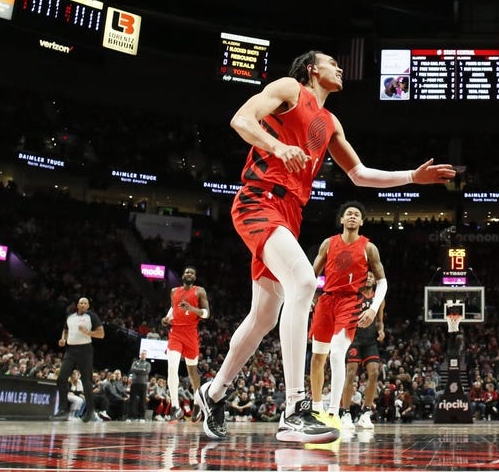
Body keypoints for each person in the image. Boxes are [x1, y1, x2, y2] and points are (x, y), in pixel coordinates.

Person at [194, 49, 455, 443]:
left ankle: (212, 394)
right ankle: (295, 410)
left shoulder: (331, 122)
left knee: (264, 317)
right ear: (313, 69)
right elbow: (241, 119)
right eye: (333, 61)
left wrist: (411, 178)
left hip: (289, 213)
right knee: (302, 283)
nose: (340, 67)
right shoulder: (289, 88)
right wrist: (278, 147)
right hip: (259, 199)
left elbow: (359, 174)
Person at [309, 202, 387, 429]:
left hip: (350, 301)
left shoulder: (368, 248)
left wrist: (373, 308)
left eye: (357, 215)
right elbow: (312, 275)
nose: (352, 217)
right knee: (317, 357)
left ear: (361, 221)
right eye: (348, 214)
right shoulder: (328, 243)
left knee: (337, 352)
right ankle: (316, 409)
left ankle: (335, 412)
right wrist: (312, 298)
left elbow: (382, 281)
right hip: (326, 301)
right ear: (342, 220)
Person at [334, 269, 385, 430]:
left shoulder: (379, 299)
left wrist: (381, 330)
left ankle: (366, 413)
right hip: (354, 339)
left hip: (370, 341)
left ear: (375, 281)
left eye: (371, 276)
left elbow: (380, 320)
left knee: (375, 372)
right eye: (367, 276)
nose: (369, 278)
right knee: (350, 373)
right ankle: (346, 413)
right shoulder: (355, 296)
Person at [161, 265, 210, 421]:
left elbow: (206, 313)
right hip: (175, 332)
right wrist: (167, 318)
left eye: (191, 273)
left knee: (192, 373)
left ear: (194, 277)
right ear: (183, 275)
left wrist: (192, 308)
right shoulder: (174, 291)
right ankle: (175, 407)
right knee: (172, 367)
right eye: (186, 272)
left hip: (191, 333)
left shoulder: (199, 291)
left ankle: (197, 404)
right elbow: (172, 308)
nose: (188, 274)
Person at [52, 297, 104, 421]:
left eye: (85, 303)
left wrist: (87, 332)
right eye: (81, 302)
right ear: (77, 305)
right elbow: (65, 330)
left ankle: (90, 412)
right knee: (61, 378)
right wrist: (63, 339)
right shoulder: (70, 317)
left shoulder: (92, 316)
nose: (83, 304)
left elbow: (101, 334)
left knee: (87, 382)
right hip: (70, 350)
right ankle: (62, 409)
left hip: (85, 350)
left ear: (88, 306)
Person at [128, 349, 152, 422]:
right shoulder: (135, 362)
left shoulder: (148, 364)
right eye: (142, 354)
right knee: (132, 400)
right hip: (134, 383)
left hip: (143, 384)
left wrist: (138, 370)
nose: (143, 355)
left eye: (144, 354)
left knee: (142, 401)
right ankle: (130, 417)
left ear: (146, 356)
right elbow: (132, 369)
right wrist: (142, 370)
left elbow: (147, 371)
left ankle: (141, 417)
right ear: (140, 355)